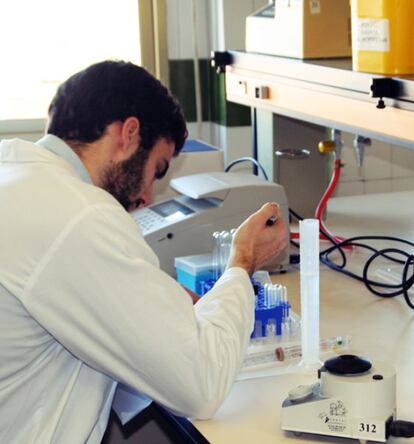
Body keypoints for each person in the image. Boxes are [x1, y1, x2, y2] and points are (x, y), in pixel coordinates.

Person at [0, 60, 287, 443]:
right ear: (129, 134)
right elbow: (200, 383)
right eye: (157, 168)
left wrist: (156, 311)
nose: (147, 196)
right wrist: (242, 262)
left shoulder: (16, 172)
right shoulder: (79, 215)